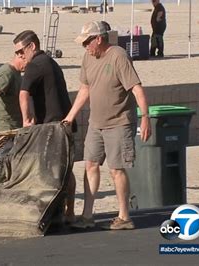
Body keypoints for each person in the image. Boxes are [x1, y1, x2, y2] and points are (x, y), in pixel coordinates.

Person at [64, 21, 151, 230]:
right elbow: (84, 89)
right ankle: (86, 215)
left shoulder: (118, 56)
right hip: (96, 122)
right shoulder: (88, 58)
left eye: (87, 42)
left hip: (119, 122)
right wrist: (69, 117)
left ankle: (124, 216)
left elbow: (136, 89)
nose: (85, 46)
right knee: (90, 164)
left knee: (116, 169)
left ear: (99, 39)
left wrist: (145, 116)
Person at [13, 30, 76, 223]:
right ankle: (69, 211)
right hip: (65, 121)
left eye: (21, 51)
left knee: (52, 170)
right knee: (66, 170)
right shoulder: (51, 62)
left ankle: (57, 212)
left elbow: (23, 93)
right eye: (17, 53)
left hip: (52, 125)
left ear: (32, 46)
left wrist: (26, 119)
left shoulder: (35, 65)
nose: (19, 56)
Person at [0, 55, 27, 136]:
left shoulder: (17, 72)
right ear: (21, 57)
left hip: (14, 127)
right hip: (3, 129)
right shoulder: (6, 73)